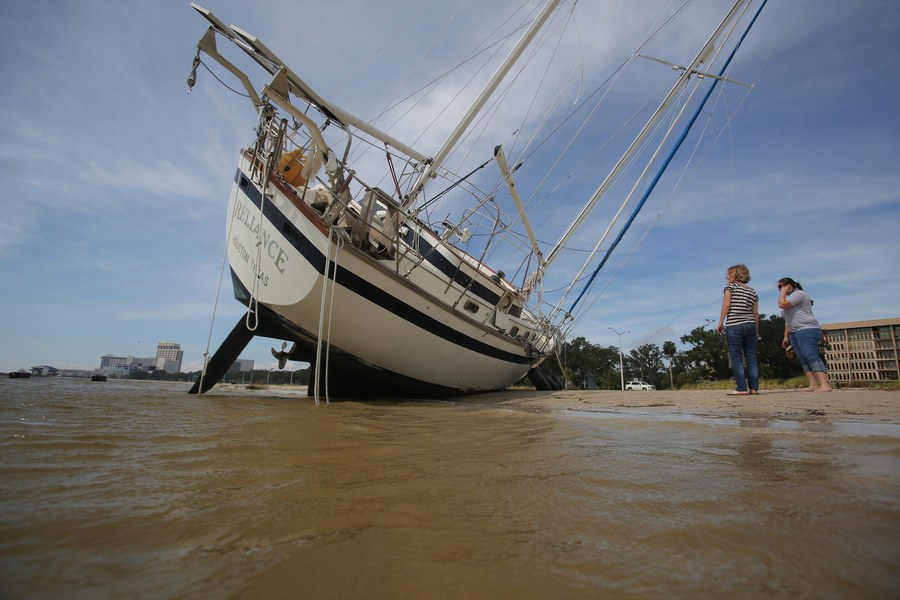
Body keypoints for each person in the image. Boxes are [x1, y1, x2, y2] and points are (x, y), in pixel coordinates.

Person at [777, 277, 831, 392]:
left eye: (781, 286)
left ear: (789, 286)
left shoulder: (799, 294)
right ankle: (813, 384)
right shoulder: (789, 300)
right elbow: (787, 321)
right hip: (794, 331)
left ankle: (824, 385)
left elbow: (782, 304)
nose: (780, 289)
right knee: (803, 358)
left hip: (807, 329)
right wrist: (786, 336)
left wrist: (783, 293)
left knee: (811, 355)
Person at [716, 264, 760, 395]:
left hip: (735, 325)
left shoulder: (730, 287)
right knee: (751, 357)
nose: (726, 276)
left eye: (728, 274)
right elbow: (756, 313)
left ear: (735, 275)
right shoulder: (752, 291)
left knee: (736, 357)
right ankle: (754, 388)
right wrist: (756, 330)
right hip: (751, 325)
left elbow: (726, 305)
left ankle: (741, 388)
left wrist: (720, 322)